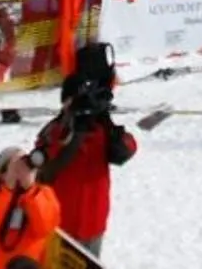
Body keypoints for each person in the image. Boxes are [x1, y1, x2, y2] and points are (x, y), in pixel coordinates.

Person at [34, 55, 136, 261]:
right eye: (73, 101)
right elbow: (45, 167)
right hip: (60, 226)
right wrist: (75, 134)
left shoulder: (101, 129)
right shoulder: (55, 130)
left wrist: (116, 135)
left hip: (93, 222)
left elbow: (128, 148)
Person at [0, 150, 61, 269]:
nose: (20, 170)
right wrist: (8, 188)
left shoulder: (43, 194)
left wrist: (30, 190)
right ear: (2, 173)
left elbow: (44, 228)